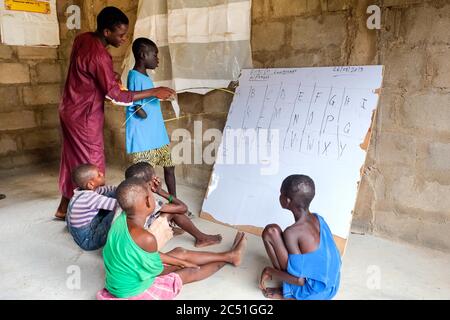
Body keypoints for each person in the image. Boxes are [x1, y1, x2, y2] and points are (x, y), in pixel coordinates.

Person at [55, 7, 176, 220]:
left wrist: (109, 75)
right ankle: (91, 216)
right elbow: (117, 96)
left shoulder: (83, 39)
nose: (124, 39)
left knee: (72, 159)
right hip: (85, 116)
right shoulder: (100, 56)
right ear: (106, 32)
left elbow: (86, 69)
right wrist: (155, 92)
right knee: (94, 166)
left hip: (69, 109)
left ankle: (65, 206)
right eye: (120, 34)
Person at [97, 177, 247, 300]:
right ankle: (227, 259)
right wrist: (182, 266)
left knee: (180, 252)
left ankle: (230, 256)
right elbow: (158, 271)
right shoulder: (146, 238)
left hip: (119, 281)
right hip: (133, 292)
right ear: (148, 202)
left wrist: (180, 261)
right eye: (151, 194)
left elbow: (145, 254)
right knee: (190, 272)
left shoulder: (120, 222)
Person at [259, 175, 342, 300]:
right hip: (332, 285)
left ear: (286, 201)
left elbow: (299, 280)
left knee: (270, 232)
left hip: (315, 293)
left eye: (281, 193)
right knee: (272, 231)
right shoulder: (318, 218)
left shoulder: (292, 233)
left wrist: (268, 270)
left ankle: (289, 294)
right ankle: (291, 289)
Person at [126, 38, 177, 201]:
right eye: (154, 55)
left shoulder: (145, 78)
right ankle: (145, 208)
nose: (157, 59)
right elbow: (136, 106)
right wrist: (146, 109)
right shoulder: (134, 76)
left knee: (170, 167)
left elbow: (147, 99)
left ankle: (174, 201)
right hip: (144, 139)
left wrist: (159, 98)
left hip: (157, 136)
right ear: (142, 55)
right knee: (145, 178)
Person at [125, 162, 222, 248]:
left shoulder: (125, 196)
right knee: (174, 211)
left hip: (132, 235)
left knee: (165, 209)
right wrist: (161, 191)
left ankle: (169, 228)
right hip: (145, 243)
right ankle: (201, 238)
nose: (157, 178)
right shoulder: (150, 202)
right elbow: (183, 208)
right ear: (151, 184)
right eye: (155, 176)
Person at [66, 164, 118, 251]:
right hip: (88, 240)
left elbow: (109, 189)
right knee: (120, 210)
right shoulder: (89, 198)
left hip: (83, 229)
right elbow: (119, 204)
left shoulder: (84, 191)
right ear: (90, 184)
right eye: (98, 175)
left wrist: (123, 188)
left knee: (112, 194)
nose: (102, 174)